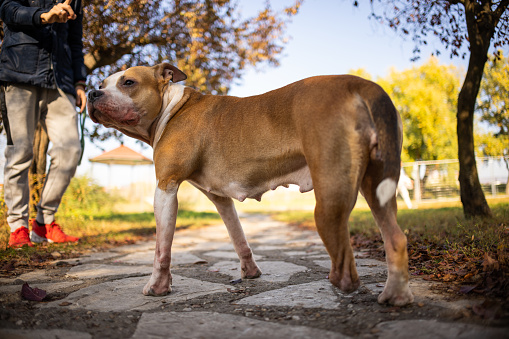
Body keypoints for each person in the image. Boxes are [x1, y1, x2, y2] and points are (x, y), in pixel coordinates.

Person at [0, 0, 86, 248]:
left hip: (61, 80)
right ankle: (18, 227)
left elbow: (75, 41)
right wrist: (44, 16)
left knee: (70, 151)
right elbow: (7, 10)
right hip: (18, 74)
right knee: (19, 152)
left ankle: (43, 222)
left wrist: (79, 81)